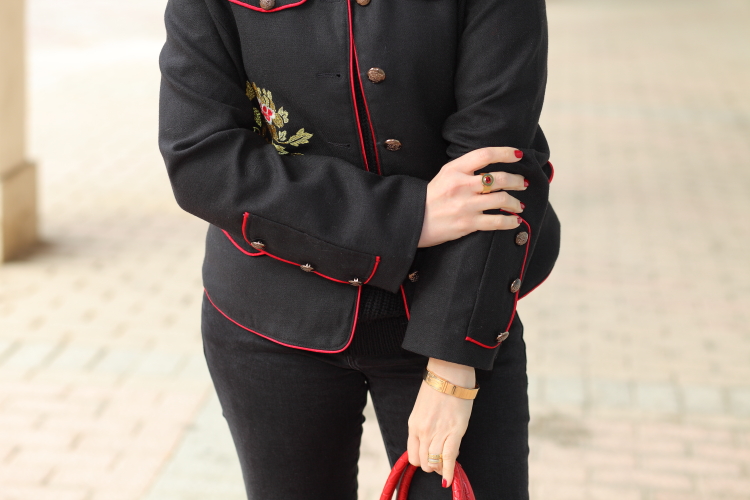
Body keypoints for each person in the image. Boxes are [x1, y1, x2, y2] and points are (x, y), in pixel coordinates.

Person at [158, 0, 560, 498]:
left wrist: (452, 370)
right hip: (268, 316)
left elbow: (497, 164)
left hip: (453, 310)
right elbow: (200, 157)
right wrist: (408, 216)